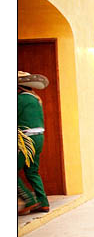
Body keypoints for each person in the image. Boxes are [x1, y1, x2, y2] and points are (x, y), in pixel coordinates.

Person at [18, 71, 50, 215]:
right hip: (38, 138)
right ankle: (43, 202)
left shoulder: (20, 99)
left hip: (26, 140)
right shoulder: (36, 99)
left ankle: (29, 200)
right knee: (32, 171)